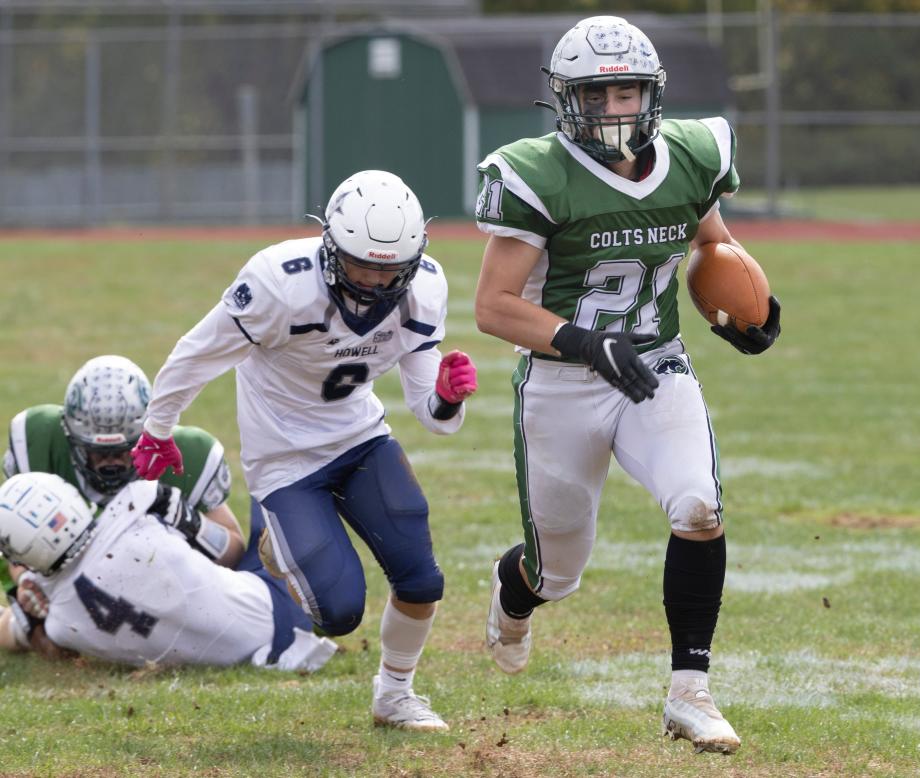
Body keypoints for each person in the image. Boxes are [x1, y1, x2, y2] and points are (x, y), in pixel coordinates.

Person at [474, 16, 781, 755]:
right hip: (562, 381)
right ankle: (516, 593)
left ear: (653, 93)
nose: (616, 106)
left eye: (629, 90)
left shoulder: (691, 156)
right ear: (567, 100)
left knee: (699, 505)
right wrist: (583, 341)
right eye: (599, 92)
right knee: (558, 571)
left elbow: (712, 242)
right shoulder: (536, 173)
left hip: (654, 364)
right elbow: (493, 307)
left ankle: (690, 694)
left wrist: (749, 311)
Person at [129, 170, 478, 732]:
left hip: (359, 438)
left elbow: (435, 420)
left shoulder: (423, 289)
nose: (372, 282)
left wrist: (445, 397)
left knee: (421, 578)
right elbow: (198, 353)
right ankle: (275, 543)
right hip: (284, 459)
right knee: (339, 613)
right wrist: (158, 427)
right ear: (330, 246)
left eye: (389, 270)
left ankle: (394, 696)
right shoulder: (278, 283)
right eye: (362, 264)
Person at [0, 471, 338, 671]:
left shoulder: (60, 626)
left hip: (251, 653)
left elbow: (12, 630)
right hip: (279, 608)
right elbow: (227, 550)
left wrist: (29, 587)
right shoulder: (137, 501)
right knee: (273, 472)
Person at [2, 354, 246, 586]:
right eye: (97, 451)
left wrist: (190, 522)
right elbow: (10, 540)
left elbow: (234, 553)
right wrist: (27, 583)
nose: (111, 462)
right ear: (70, 437)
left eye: (123, 450)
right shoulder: (41, 440)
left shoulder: (189, 454)